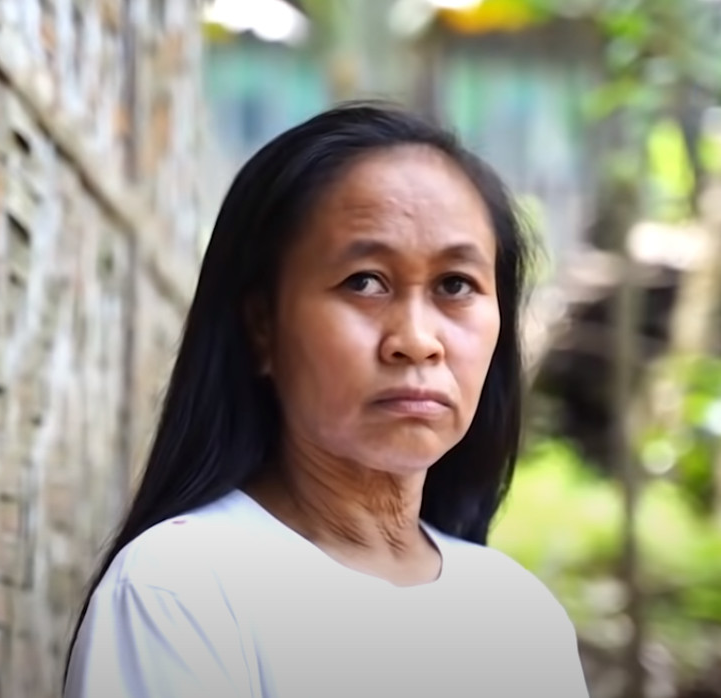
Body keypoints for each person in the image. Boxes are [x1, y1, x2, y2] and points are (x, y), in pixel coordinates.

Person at [63, 102, 590, 697]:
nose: (417, 340)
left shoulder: (521, 617)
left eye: (455, 285)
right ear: (262, 327)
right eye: (365, 281)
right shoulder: (179, 592)